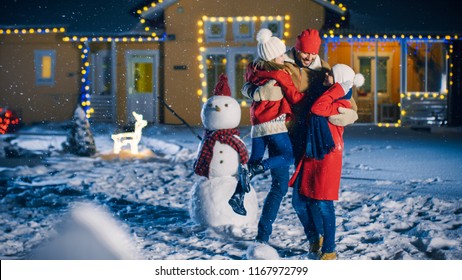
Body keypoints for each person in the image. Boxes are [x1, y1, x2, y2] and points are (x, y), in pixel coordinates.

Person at [241, 28, 359, 255]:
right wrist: (254, 92)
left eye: (312, 53)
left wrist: (347, 114)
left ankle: (320, 239)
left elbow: (347, 98)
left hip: (313, 139)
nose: (308, 57)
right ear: (296, 48)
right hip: (283, 132)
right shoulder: (280, 61)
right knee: (284, 190)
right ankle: (263, 239)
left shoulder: (326, 71)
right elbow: (252, 75)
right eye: (304, 52)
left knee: (310, 196)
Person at [229, 28, 299, 243]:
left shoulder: (254, 69)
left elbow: (245, 87)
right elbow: (295, 96)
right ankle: (257, 169)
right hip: (275, 125)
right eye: (280, 54)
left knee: (270, 181)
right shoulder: (279, 74)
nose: (283, 56)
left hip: (257, 126)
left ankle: (237, 196)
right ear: (272, 57)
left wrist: (253, 92)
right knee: (289, 157)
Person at [289, 64, 364, 260]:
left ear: (338, 80)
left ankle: (329, 249)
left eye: (331, 74)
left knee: (323, 203)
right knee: (300, 201)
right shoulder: (326, 95)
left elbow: (318, 108)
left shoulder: (342, 104)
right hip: (313, 152)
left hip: (328, 156)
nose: (326, 74)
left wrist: (339, 88)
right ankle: (316, 238)